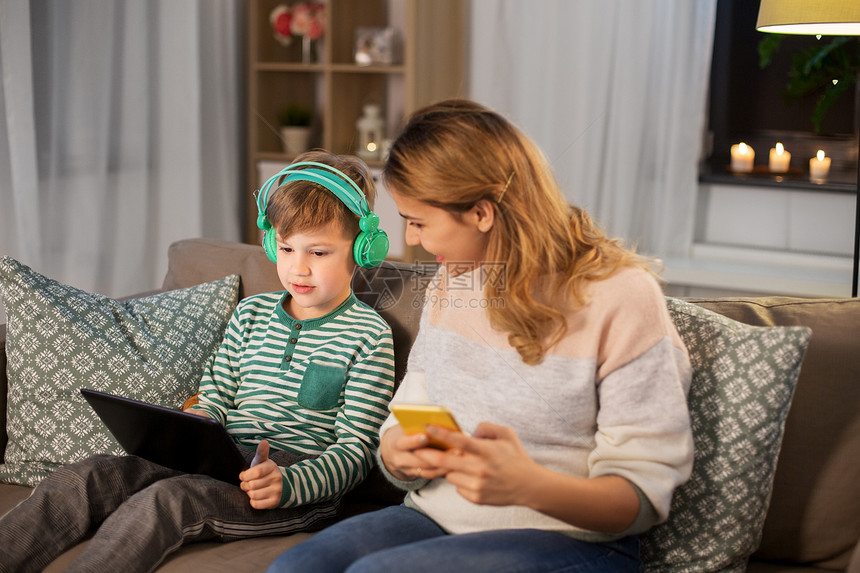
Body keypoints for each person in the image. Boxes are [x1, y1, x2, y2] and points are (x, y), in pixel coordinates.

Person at [266, 100, 694, 573]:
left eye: (419, 222)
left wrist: (526, 485)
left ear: (482, 213)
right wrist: (397, 454)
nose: (411, 241)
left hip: (574, 541)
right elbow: (410, 413)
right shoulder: (452, 282)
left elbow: (641, 499)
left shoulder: (622, 297)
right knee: (294, 569)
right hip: (433, 518)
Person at [0, 151, 396, 573]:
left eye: (318, 253)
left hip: (293, 482)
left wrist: (289, 484)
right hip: (221, 457)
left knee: (167, 501)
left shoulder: (369, 335)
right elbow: (216, 397)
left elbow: (356, 451)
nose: (297, 267)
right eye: (285, 247)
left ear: (361, 250)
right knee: (87, 476)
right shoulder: (251, 315)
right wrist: (193, 428)